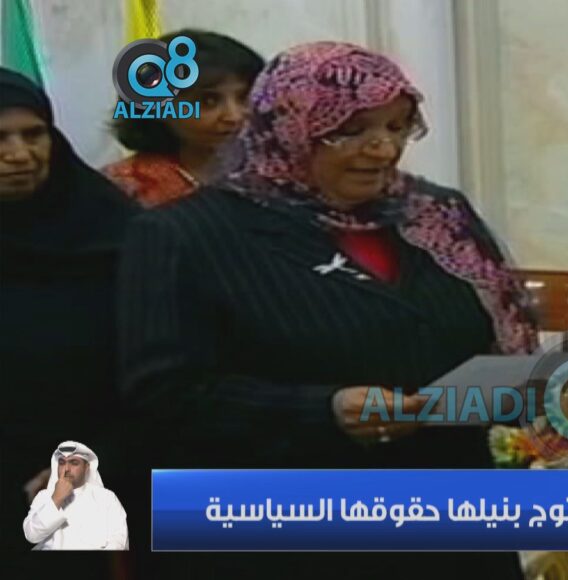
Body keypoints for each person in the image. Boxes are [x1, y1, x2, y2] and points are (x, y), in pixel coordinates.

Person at [117, 42, 538, 579]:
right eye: (350, 131)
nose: (383, 149)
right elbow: (164, 393)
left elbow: (493, 331)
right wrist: (325, 410)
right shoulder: (186, 235)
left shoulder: (436, 215)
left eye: (398, 127)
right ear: (287, 127)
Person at [0, 68, 137, 565]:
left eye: (33, 134)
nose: (20, 155)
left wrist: (95, 462)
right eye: (0, 139)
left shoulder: (114, 230)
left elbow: (161, 370)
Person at [103, 29, 264, 207]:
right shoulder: (122, 188)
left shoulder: (274, 175)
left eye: (245, 97)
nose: (234, 116)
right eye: (208, 101)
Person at [22, 442, 128, 550]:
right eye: (62, 462)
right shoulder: (43, 496)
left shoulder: (107, 498)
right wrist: (56, 499)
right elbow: (32, 536)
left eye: (74, 463)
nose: (66, 469)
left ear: (86, 467)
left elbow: (119, 538)